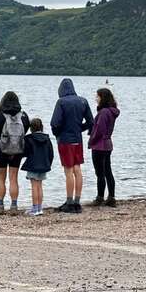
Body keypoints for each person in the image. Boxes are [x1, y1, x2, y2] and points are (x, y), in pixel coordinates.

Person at [50, 78, 94, 213]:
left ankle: (69, 202)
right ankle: (77, 202)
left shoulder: (61, 102)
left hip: (65, 140)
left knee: (68, 171)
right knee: (77, 170)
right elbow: (91, 121)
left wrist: (58, 134)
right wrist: (80, 128)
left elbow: (55, 123)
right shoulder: (83, 101)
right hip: (77, 139)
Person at [0, 91, 30, 213]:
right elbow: (26, 130)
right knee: (13, 178)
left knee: (1, 178)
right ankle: (14, 206)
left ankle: (0, 206)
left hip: (1, 150)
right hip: (17, 151)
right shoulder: (23, 116)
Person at [89, 88, 120, 207]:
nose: (96, 98)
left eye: (97, 96)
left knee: (100, 173)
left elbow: (99, 130)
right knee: (108, 171)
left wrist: (91, 140)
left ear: (102, 98)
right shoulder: (111, 112)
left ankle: (100, 197)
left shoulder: (103, 112)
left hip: (99, 145)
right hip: (108, 144)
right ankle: (111, 197)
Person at [21, 118, 54, 216]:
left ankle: (35, 209)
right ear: (41, 126)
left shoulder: (29, 138)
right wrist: (48, 164)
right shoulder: (47, 138)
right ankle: (39, 208)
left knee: (34, 186)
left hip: (33, 165)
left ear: (31, 128)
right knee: (40, 186)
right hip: (44, 165)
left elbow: (25, 152)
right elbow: (51, 153)